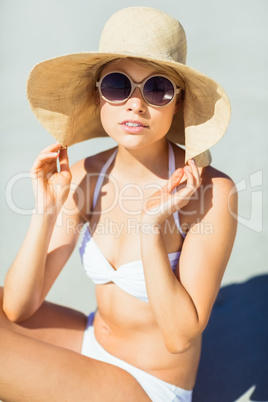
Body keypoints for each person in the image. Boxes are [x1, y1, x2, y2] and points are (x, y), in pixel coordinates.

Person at [0, 6, 237, 401]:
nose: (135, 104)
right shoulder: (84, 175)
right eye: (117, 85)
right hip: (91, 342)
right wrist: (46, 210)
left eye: (157, 88)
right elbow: (18, 308)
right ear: (98, 97)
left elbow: (179, 337)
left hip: (148, 384)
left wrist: (151, 227)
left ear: (177, 103)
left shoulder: (211, 191)